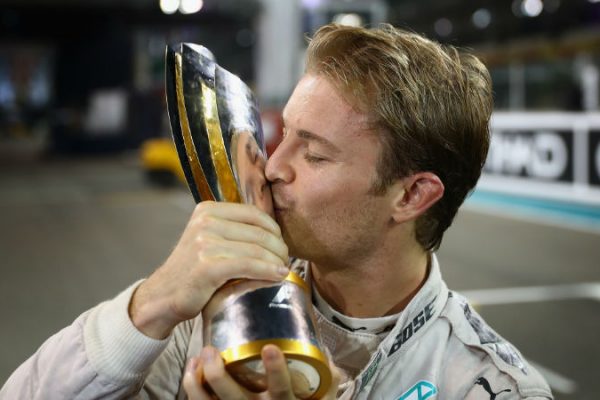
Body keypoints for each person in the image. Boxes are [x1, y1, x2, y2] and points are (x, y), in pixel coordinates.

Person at [0, 24, 553, 400]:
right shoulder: (214, 302)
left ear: (412, 196)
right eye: (284, 135)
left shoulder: (489, 385)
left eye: (315, 154)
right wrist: (150, 304)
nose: (272, 167)